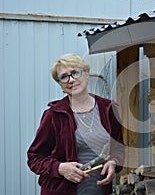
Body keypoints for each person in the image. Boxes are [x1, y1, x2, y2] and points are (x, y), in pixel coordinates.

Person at [27, 53, 125, 195]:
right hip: (61, 191)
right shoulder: (53, 115)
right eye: (64, 77)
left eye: (75, 73)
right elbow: (34, 157)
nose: (71, 80)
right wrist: (59, 168)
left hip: (98, 190)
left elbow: (118, 149)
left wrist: (114, 163)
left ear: (86, 74)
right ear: (60, 84)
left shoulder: (109, 110)